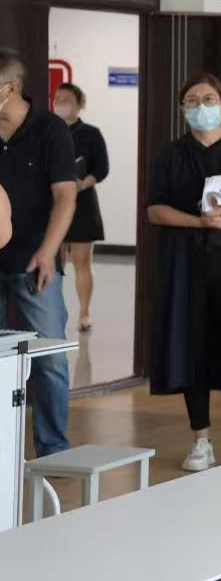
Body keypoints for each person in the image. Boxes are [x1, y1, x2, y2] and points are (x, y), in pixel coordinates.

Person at [146, 72, 221, 471]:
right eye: (193, 101)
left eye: (209, 99)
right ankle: (201, 440)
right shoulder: (171, 154)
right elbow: (155, 210)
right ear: (182, 109)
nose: (202, 107)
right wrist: (198, 222)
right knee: (191, 346)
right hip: (185, 265)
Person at [0, 48, 77, 457]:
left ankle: (53, 449)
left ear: (10, 88)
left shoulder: (50, 129)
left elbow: (65, 197)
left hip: (35, 262)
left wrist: (48, 252)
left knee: (50, 358)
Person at [53, 83, 109, 332]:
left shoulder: (91, 133)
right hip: (53, 203)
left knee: (81, 261)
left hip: (83, 203)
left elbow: (102, 168)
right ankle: (54, 311)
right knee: (54, 261)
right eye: (57, 98)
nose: (60, 103)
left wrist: (82, 184)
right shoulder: (48, 131)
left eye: (66, 99)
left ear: (80, 104)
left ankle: (84, 312)